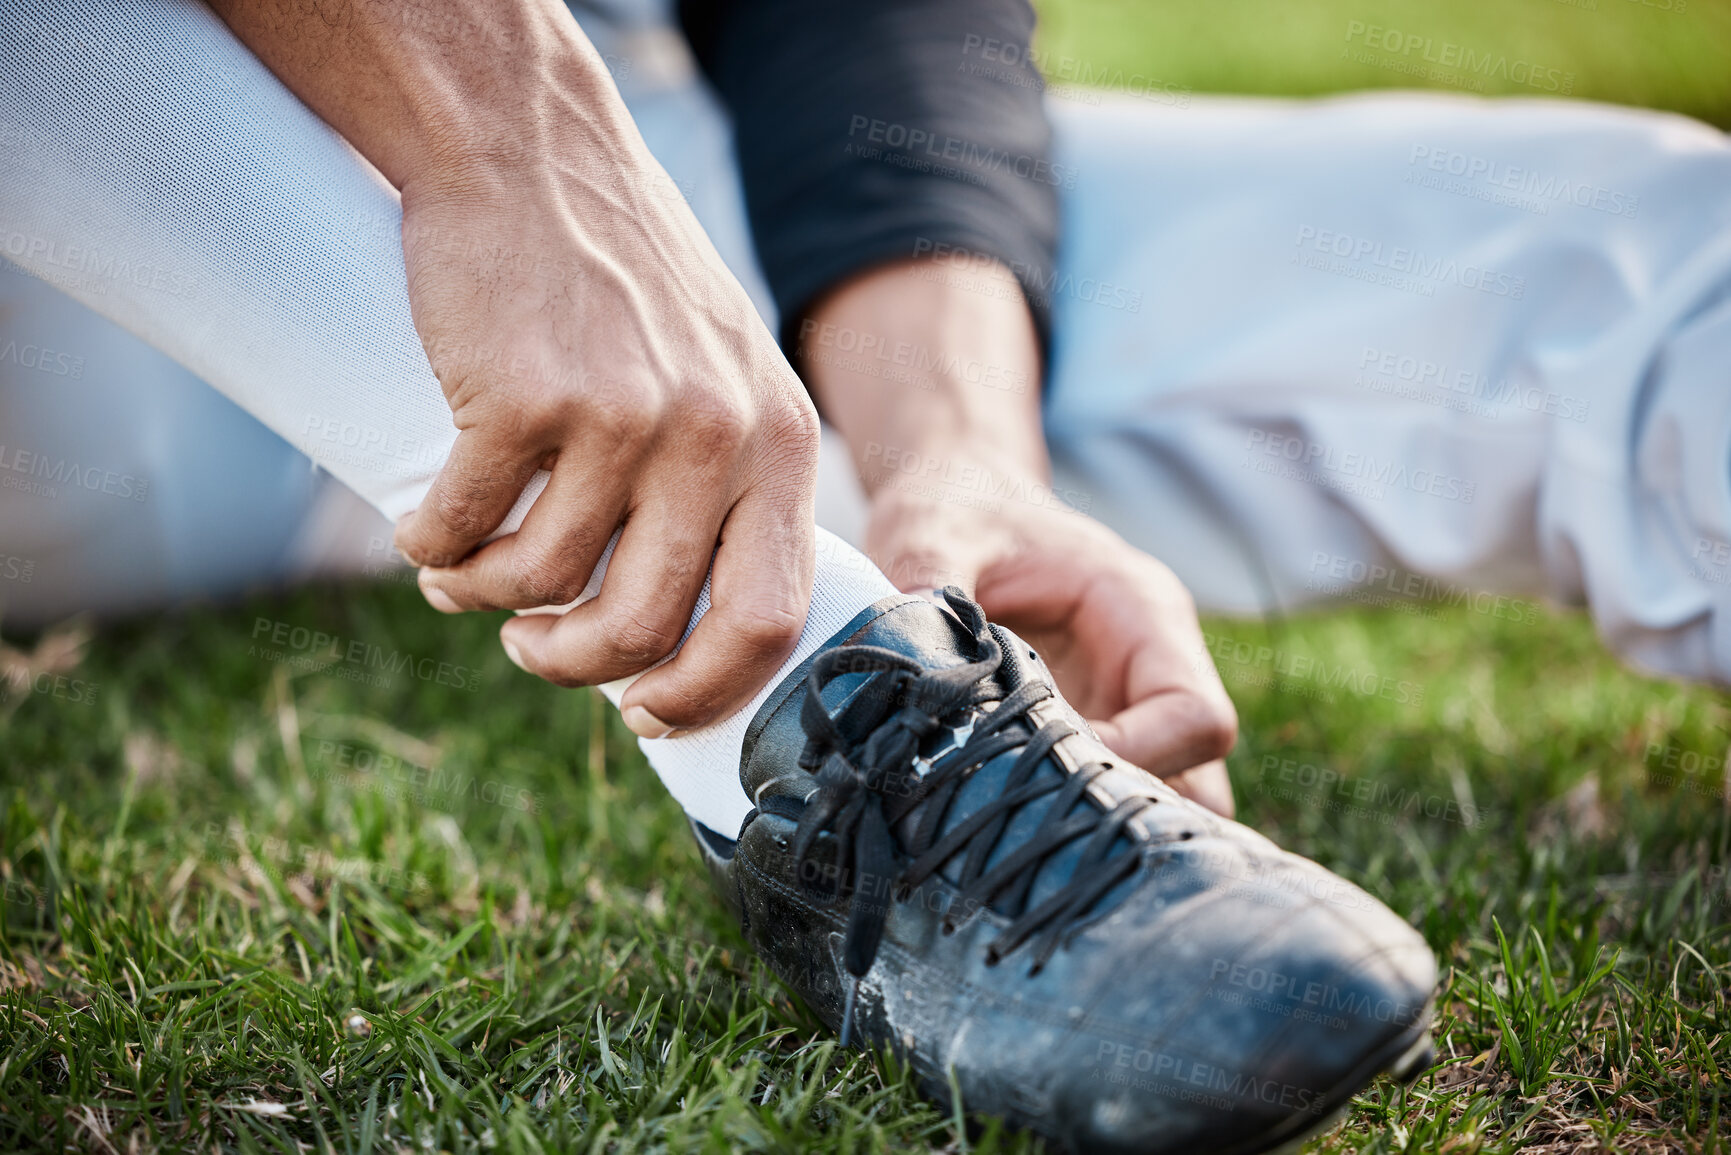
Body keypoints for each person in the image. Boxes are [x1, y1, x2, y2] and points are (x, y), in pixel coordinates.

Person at [5, 0, 1730, 1147]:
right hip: (84, 308)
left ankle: (802, 556)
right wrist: (508, 149)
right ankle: (800, 708)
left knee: (1644, 258)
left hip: (588, 146)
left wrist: (952, 448)